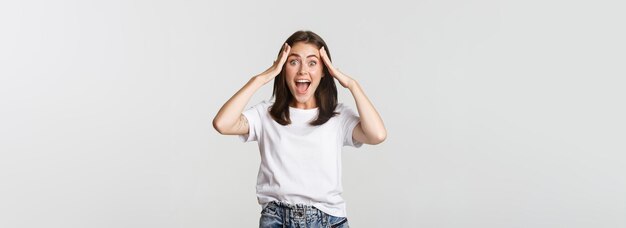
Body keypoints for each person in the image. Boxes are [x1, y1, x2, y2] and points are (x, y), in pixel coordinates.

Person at [213, 30, 387, 228]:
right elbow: (222, 124)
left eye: (312, 62)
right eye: (293, 62)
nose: (303, 70)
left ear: (324, 70)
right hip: (276, 220)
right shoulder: (265, 115)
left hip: (328, 220)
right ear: (282, 68)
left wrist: (353, 85)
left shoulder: (337, 116)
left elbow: (377, 135)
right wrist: (261, 78)